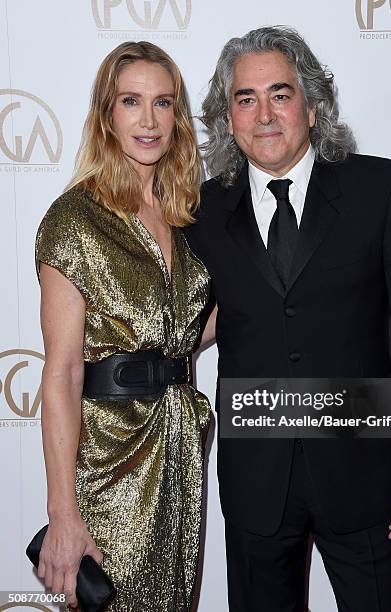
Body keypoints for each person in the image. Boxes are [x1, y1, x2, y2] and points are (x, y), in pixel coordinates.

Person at [184, 26, 391, 611]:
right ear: (227, 117)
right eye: (245, 99)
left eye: (280, 94)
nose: (264, 115)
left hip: (366, 475)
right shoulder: (202, 211)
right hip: (256, 479)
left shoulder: (379, 189)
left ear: (312, 104)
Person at [35, 41, 212, 611]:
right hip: (110, 460)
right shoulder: (75, 219)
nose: (148, 119)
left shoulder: (186, 216)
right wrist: (62, 515)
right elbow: (61, 373)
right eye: (131, 101)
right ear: (106, 113)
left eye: (163, 104)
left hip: (179, 450)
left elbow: (181, 334)